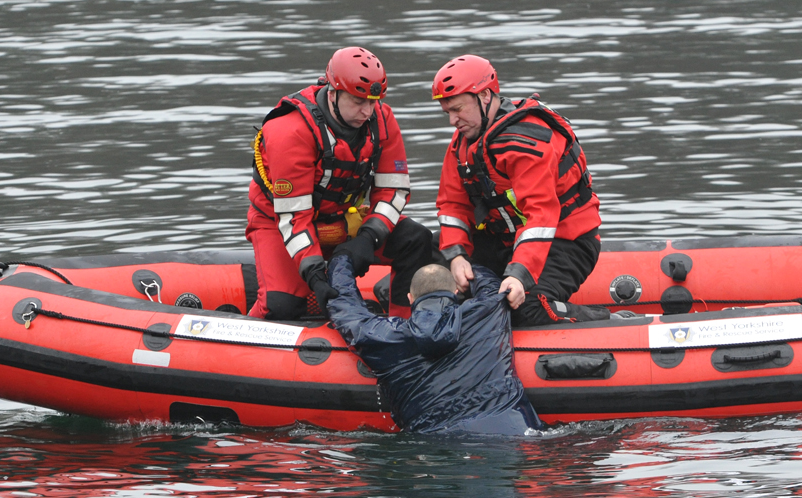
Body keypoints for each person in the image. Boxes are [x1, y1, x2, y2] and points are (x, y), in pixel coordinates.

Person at [246, 47, 439, 320]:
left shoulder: (382, 120)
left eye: (373, 101)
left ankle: (405, 324)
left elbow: (394, 191)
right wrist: (314, 272)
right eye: (358, 101)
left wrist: (369, 237)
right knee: (280, 306)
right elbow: (293, 217)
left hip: (342, 219)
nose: (367, 111)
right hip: (279, 223)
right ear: (333, 92)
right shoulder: (290, 132)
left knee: (415, 240)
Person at [431, 54, 606, 327]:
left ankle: (607, 319)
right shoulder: (464, 141)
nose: (452, 120)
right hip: (507, 239)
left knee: (525, 308)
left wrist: (519, 274)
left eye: (458, 109)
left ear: (485, 96)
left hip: (565, 241)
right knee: (430, 250)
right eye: (447, 113)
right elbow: (452, 205)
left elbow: (541, 216)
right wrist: (457, 256)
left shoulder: (525, 143)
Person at [325, 255, 541, 435]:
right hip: (517, 434)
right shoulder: (491, 309)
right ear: (455, 293)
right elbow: (491, 284)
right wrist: (465, 264)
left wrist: (341, 259)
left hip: (437, 448)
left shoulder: (385, 338)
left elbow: (346, 310)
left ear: (410, 298)